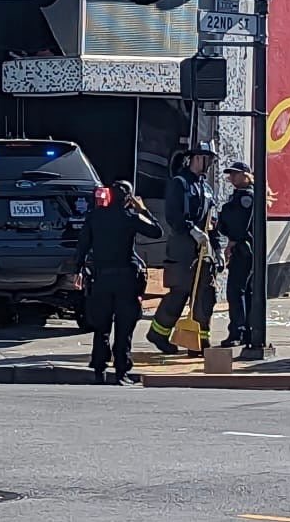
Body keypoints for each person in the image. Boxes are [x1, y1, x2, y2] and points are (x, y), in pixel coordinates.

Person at [74, 180, 163, 384]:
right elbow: (157, 231)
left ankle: (99, 370)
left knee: (101, 326)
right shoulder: (130, 217)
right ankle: (121, 372)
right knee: (124, 327)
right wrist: (144, 210)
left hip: (101, 278)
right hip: (126, 279)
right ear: (128, 198)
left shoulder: (95, 217)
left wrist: (77, 269)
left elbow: (82, 245)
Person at [148, 141, 222, 355]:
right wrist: (192, 231)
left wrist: (216, 250)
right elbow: (173, 215)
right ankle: (158, 334)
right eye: (208, 159)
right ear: (197, 157)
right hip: (182, 248)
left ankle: (197, 342)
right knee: (179, 292)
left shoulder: (206, 188)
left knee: (205, 296)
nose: (211, 164)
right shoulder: (179, 183)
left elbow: (212, 221)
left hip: (204, 250)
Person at [217, 160, 254, 348]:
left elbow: (238, 224)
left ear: (245, 176)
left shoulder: (246, 197)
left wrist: (231, 241)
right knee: (244, 291)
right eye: (230, 174)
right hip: (242, 248)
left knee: (236, 290)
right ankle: (246, 330)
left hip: (242, 249)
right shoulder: (240, 196)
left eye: (235, 174)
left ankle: (237, 332)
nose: (231, 177)